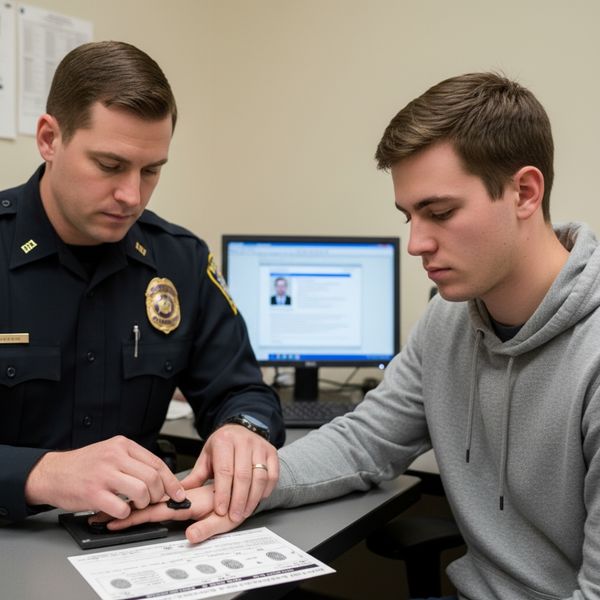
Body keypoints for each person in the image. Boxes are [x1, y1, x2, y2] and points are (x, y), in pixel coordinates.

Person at [113, 72, 600, 597]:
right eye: (409, 215)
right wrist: (237, 489)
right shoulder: (449, 320)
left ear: (525, 192)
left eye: (440, 213)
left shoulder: (590, 357)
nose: (416, 244)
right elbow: (365, 442)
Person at [0, 40, 285, 541]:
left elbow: (241, 391)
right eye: (110, 166)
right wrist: (40, 474)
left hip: (143, 542)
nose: (132, 195)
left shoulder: (181, 260)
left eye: (151, 170)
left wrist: (244, 430)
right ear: (49, 138)